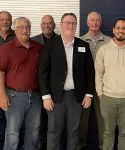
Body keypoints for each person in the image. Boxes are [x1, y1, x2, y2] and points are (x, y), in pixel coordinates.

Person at [39, 13, 95, 150]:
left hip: (77, 97)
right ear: (61, 24)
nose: (70, 25)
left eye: (73, 23)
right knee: (53, 131)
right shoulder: (51, 45)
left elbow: (90, 72)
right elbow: (42, 72)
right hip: (55, 97)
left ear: (76, 26)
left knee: (74, 132)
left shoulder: (83, 45)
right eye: (67, 22)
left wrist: (89, 94)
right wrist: (46, 96)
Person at [95, 18, 125, 150]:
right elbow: (98, 74)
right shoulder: (103, 50)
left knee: (124, 133)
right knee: (108, 132)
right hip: (108, 98)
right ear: (113, 30)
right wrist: (100, 94)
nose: (120, 31)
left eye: (123, 28)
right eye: (118, 28)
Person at [0, 17, 43, 150]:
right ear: (15, 29)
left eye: (28, 27)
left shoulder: (39, 48)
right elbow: (0, 72)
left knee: (34, 130)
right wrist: (2, 94)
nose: (25, 30)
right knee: (12, 131)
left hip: (35, 96)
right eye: (21, 27)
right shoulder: (6, 48)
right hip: (14, 96)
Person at [80, 11, 111, 150]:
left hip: (103, 86)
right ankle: (81, 144)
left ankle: (104, 145)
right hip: (84, 86)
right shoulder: (79, 41)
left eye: (97, 20)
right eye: (92, 20)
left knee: (104, 118)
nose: (94, 22)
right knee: (82, 118)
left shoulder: (110, 41)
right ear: (87, 23)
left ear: (101, 22)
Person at [32, 14, 57, 150]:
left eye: (49, 23)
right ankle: (40, 146)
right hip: (37, 87)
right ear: (41, 25)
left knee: (53, 121)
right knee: (38, 121)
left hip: (55, 88)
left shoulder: (60, 40)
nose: (47, 26)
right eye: (44, 23)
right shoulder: (33, 41)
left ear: (53, 25)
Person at [0, 11, 15, 150]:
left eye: (7, 19)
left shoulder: (16, 37)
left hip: (12, 87)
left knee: (12, 123)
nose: (5, 22)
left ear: (11, 21)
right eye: (2, 19)